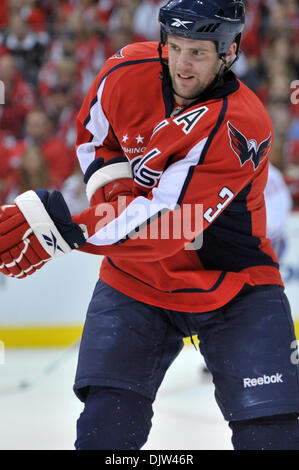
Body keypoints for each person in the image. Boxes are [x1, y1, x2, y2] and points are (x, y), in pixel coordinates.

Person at [0, 0, 299, 451]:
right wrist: (115, 198)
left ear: (229, 51)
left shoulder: (241, 125)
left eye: (197, 52)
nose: (181, 63)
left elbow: (167, 223)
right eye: (174, 47)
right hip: (136, 278)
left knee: (273, 434)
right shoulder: (126, 68)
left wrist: (64, 231)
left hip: (234, 284)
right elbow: (96, 135)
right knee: (105, 431)